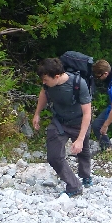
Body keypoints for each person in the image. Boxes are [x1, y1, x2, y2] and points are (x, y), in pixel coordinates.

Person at [33, 57, 93, 197]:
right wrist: (37, 114)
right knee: (54, 157)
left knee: (83, 150)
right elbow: (43, 95)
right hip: (59, 122)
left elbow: (87, 113)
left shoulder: (79, 84)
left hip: (79, 122)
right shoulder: (48, 84)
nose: (44, 83)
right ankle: (74, 186)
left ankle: (85, 175)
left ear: (57, 76)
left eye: (46, 80)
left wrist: (79, 139)